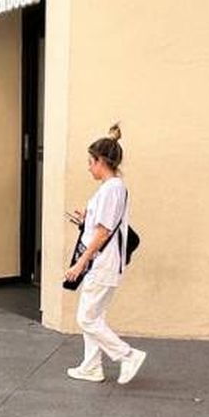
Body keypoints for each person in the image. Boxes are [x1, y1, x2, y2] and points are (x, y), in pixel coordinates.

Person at [65, 125, 146, 385]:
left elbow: (102, 232)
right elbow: (101, 226)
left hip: (101, 264)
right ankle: (91, 367)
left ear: (100, 161)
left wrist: (80, 262)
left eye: (90, 162)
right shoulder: (111, 189)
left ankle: (127, 355)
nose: (88, 167)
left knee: (86, 318)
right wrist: (84, 219)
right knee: (94, 317)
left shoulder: (112, 189)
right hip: (103, 263)